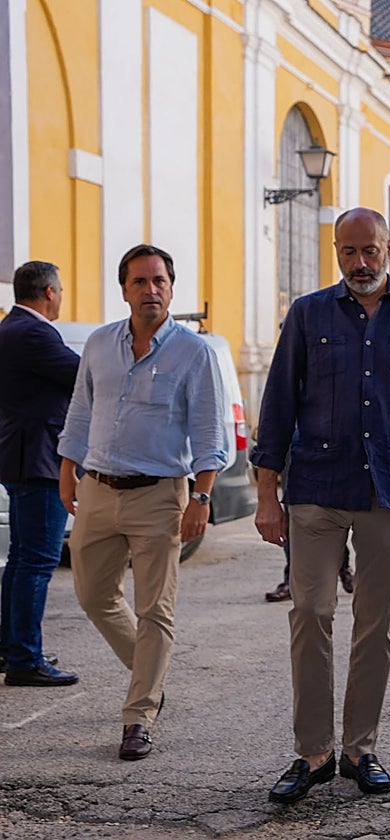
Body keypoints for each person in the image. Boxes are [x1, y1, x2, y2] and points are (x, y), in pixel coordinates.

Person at [252, 207, 390, 805]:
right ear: (337, 253)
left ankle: (359, 748)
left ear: (389, 248)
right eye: (348, 252)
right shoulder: (308, 314)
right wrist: (266, 494)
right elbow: (278, 404)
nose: (359, 263)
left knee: (375, 626)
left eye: (369, 250)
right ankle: (313, 753)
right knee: (310, 614)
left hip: (388, 490)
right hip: (315, 489)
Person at [58, 244, 229, 760]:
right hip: (98, 489)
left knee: (157, 609)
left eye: (159, 281)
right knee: (93, 596)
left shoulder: (194, 352)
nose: (150, 290)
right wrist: (67, 470)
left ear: (172, 288)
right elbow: (81, 411)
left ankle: (138, 716)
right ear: (125, 289)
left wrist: (201, 496)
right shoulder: (99, 344)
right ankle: (150, 678)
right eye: (140, 282)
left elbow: (208, 432)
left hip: (161, 496)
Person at [0, 261, 80, 687]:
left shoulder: (11, 328)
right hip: (39, 459)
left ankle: (11, 647)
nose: (61, 297)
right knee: (36, 561)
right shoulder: (32, 332)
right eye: (61, 290)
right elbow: (82, 374)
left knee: (21, 560)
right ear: (49, 292)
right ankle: (25, 660)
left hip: (21, 455)